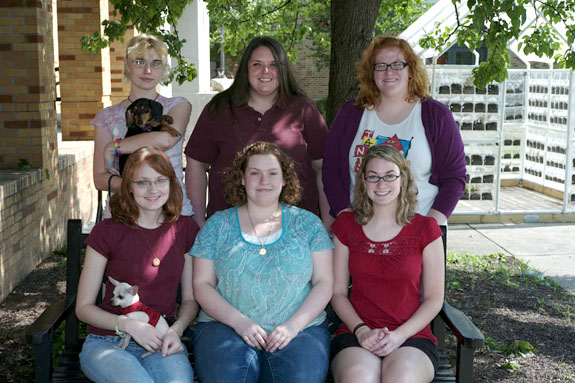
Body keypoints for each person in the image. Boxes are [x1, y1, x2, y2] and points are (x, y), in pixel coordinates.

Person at [191, 141, 334, 383]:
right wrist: (240, 322)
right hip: (224, 325)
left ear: (284, 179)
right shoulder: (217, 225)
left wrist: (293, 326)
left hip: (300, 328)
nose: (263, 181)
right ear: (242, 179)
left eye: (272, 173)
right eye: (254, 173)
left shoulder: (308, 224)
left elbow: (324, 282)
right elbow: (202, 284)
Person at [76, 147, 200, 382]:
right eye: (142, 182)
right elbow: (83, 308)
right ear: (129, 187)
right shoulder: (107, 232)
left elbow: (191, 300)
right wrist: (130, 326)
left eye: (160, 181)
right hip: (108, 341)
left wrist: (176, 330)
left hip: (161, 339)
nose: (153, 190)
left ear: (171, 184)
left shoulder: (185, 230)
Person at [184, 36, 331, 228]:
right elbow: (196, 164)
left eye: (274, 64)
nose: (265, 71)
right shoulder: (220, 108)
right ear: (246, 68)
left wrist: (328, 223)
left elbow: (324, 169)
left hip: (295, 230)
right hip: (230, 230)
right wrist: (198, 221)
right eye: (257, 64)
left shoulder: (303, 109)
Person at [330, 145, 444, 383]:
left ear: (403, 178)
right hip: (356, 332)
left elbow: (434, 298)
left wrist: (399, 335)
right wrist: (361, 330)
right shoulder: (346, 225)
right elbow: (338, 292)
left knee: (401, 378)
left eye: (389, 175)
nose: (381, 184)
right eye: (373, 176)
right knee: (359, 378)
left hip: (411, 335)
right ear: (363, 181)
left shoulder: (425, 228)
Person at [323, 36, 466, 225]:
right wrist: (345, 217)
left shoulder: (435, 115)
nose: (389, 72)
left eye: (398, 64)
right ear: (371, 72)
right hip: (360, 229)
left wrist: (430, 227)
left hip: (419, 228)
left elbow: (454, 178)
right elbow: (331, 171)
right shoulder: (351, 113)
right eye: (380, 66)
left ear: (411, 71)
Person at [92, 33, 193, 217]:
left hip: (172, 212)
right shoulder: (106, 117)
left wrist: (114, 147)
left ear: (162, 69)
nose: (148, 70)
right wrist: (138, 187)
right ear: (126, 65)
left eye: (155, 63)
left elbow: (164, 139)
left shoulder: (177, 106)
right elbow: (100, 178)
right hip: (123, 213)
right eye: (139, 62)